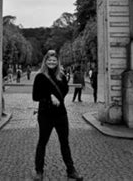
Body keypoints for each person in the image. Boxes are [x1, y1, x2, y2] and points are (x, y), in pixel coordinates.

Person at [32, 50, 83, 181]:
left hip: (61, 114)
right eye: (49, 60)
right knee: (42, 142)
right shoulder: (39, 77)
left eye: (54, 60)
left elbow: (65, 90)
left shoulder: (62, 76)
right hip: (45, 115)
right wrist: (49, 97)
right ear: (45, 61)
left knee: (64, 142)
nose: (52, 62)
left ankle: (71, 170)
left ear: (57, 61)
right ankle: (39, 171)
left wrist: (57, 97)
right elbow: (35, 96)